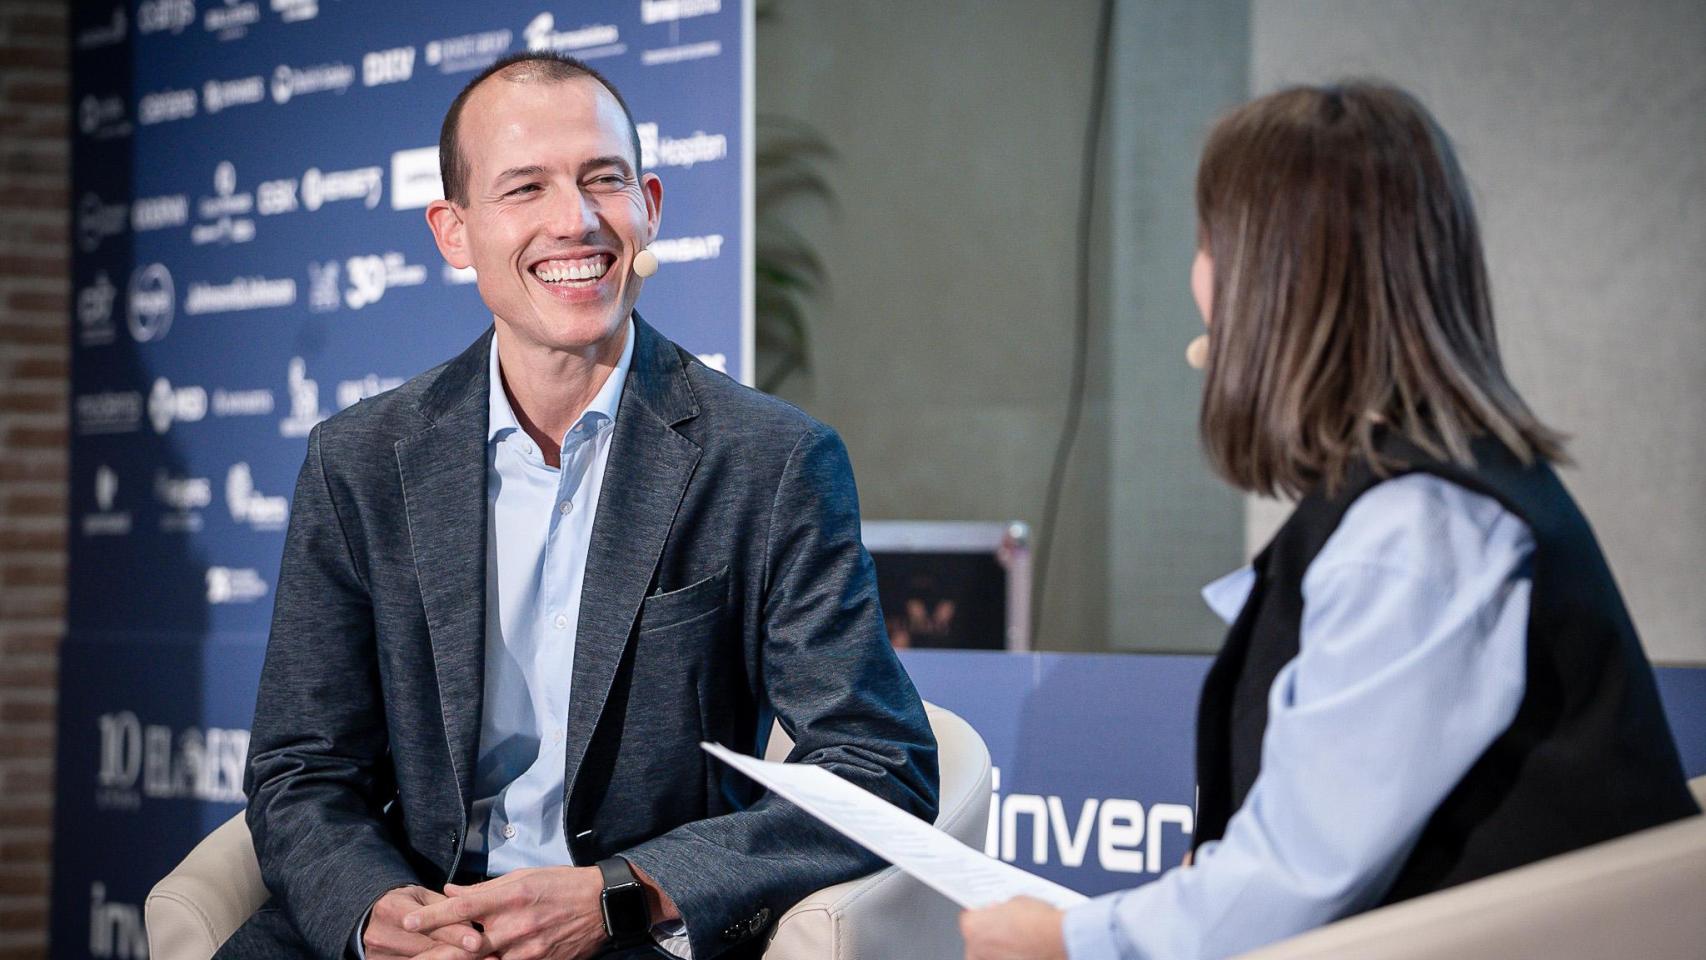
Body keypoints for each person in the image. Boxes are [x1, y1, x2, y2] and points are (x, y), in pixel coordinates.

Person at [215, 53, 938, 960]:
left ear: (651, 207)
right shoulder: (359, 462)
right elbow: (301, 766)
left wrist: (621, 897)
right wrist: (373, 913)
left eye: (606, 180)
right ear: (453, 229)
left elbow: (880, 766)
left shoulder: (770, 460)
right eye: (525, 188)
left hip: (625, 938)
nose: (577, 220)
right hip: (417, 921)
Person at [960, 82, 1698, 960]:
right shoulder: (1425, 494)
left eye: (1206, 246)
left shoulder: (1414, 533)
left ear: (1272, 279)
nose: (1197, 285)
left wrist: (1067, 941)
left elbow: (1295, 878)